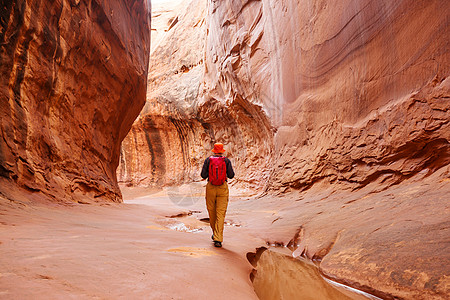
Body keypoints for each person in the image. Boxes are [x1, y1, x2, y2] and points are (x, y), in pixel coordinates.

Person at [201, 143, 235, 247]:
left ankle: (215, 233)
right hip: (222, 188)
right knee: (220, 213)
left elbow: (203, 175)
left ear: (214, 151)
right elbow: (231, 175)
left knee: (211, 211)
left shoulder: (208, 160)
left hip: (211, 187)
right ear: (222, 151)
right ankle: (218, 238)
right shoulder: (226, 161)